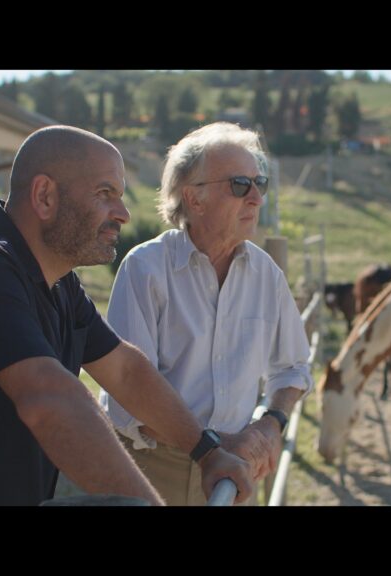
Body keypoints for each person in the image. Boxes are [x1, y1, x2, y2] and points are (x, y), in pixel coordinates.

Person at [0, 126, 253, 506]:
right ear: (44, 196)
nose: (123, 213)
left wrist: (207, 451)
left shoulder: (58, 283)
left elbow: (125, 370)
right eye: (105, 193)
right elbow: (50, 398)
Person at [101, 122, 313, 505]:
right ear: (194, 199)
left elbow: (293, 367)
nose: (256, 199)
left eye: (259, 183)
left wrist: (270, 423)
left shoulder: (267, 275)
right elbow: (128, 395)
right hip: (152, 468)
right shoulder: (145, 269)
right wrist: (212, 447)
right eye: (239, 185)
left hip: (234, 471)